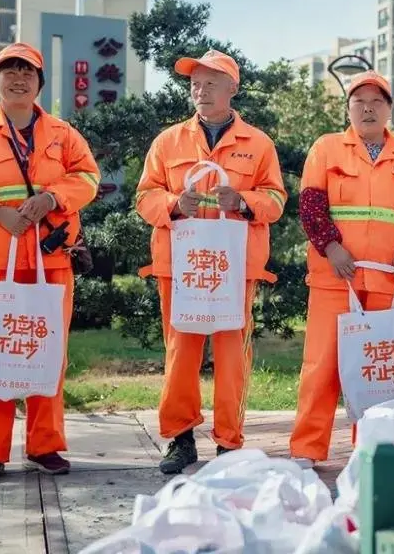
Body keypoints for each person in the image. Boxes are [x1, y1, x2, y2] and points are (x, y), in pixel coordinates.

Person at [0, 42, 101, 484]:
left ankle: (45, 446)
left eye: (27, 71)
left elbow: (87, 179)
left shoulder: (63, 134)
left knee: (48, 352)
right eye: (8, 70)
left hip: (51, 261)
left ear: (39, 84)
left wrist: (52, 197)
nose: (18, 78)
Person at [135, 50, 286, 475]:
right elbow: (144, 198)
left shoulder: (258, 144)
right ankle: (180, 440)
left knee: (232, 355)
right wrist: (173, 204)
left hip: (233, 269)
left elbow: (275, 200)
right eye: (195, 84)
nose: (200, 91)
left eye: (210, 83)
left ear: (232, 89)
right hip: (181, 267)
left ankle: (228, 443)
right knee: (180, 352)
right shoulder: (168, 142)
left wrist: (243, 201)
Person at [289, 71, 394, 469]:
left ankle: (372, 449)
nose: (368, 108)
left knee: (379, 370)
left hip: (389, 279)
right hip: (335, 277)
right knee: (321, 364)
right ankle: (307, 448)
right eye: (359, 102)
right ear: (348, 109)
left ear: (390, 109)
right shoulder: (327, 148)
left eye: (377, 102)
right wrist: (331, 248)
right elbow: (311, 205)